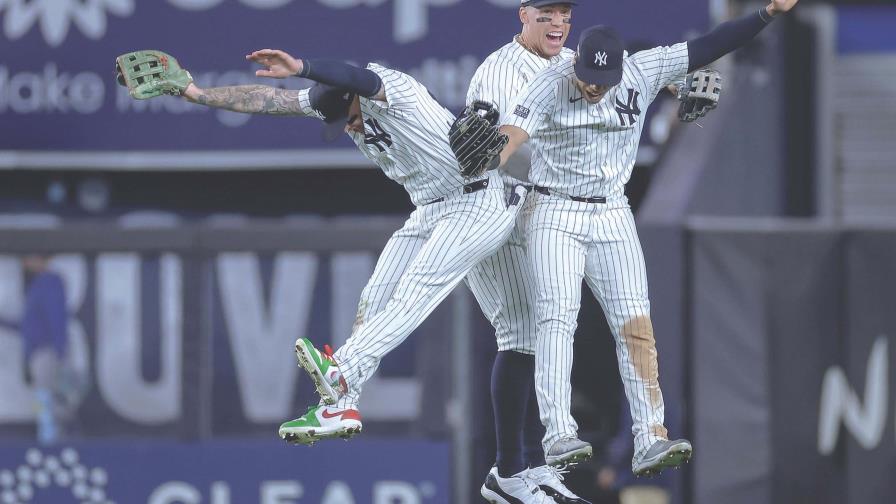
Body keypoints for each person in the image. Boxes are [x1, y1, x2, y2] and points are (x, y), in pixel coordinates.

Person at [129, 48, 560, 503]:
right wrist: (196, 94)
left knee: (417, 291)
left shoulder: (392, 90)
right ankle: (338, 405)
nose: (348, 126)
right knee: (374, 298)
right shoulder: (338, 100)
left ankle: (342, 371)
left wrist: (302, 68)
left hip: (479, 199)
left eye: (348, 116)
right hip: (431, 207)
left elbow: (358, 74)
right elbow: (265, 100)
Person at [481, 0, 800, 477]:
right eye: (587, 74)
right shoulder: (550, 82)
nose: (592, 86)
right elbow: (511, 136)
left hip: (612, 210)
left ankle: (651, 435)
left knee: (635, 323)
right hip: (553, 208)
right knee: (555, 317)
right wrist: (486, 158)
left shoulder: (643, 70)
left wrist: (767, 14)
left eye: (601, 79)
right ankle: (558, 433)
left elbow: (710, 45)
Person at [0, 255, 69, 445]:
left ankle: (49, 434)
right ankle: (48, 431)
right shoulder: (37, 284)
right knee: (45, 392)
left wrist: (60, 349)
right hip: (38, 351)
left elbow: (57, 317)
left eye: (29, 259)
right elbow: (28, 325)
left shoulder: (51, 282)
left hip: (47, 350)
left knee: (46, 394)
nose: (25, 264)